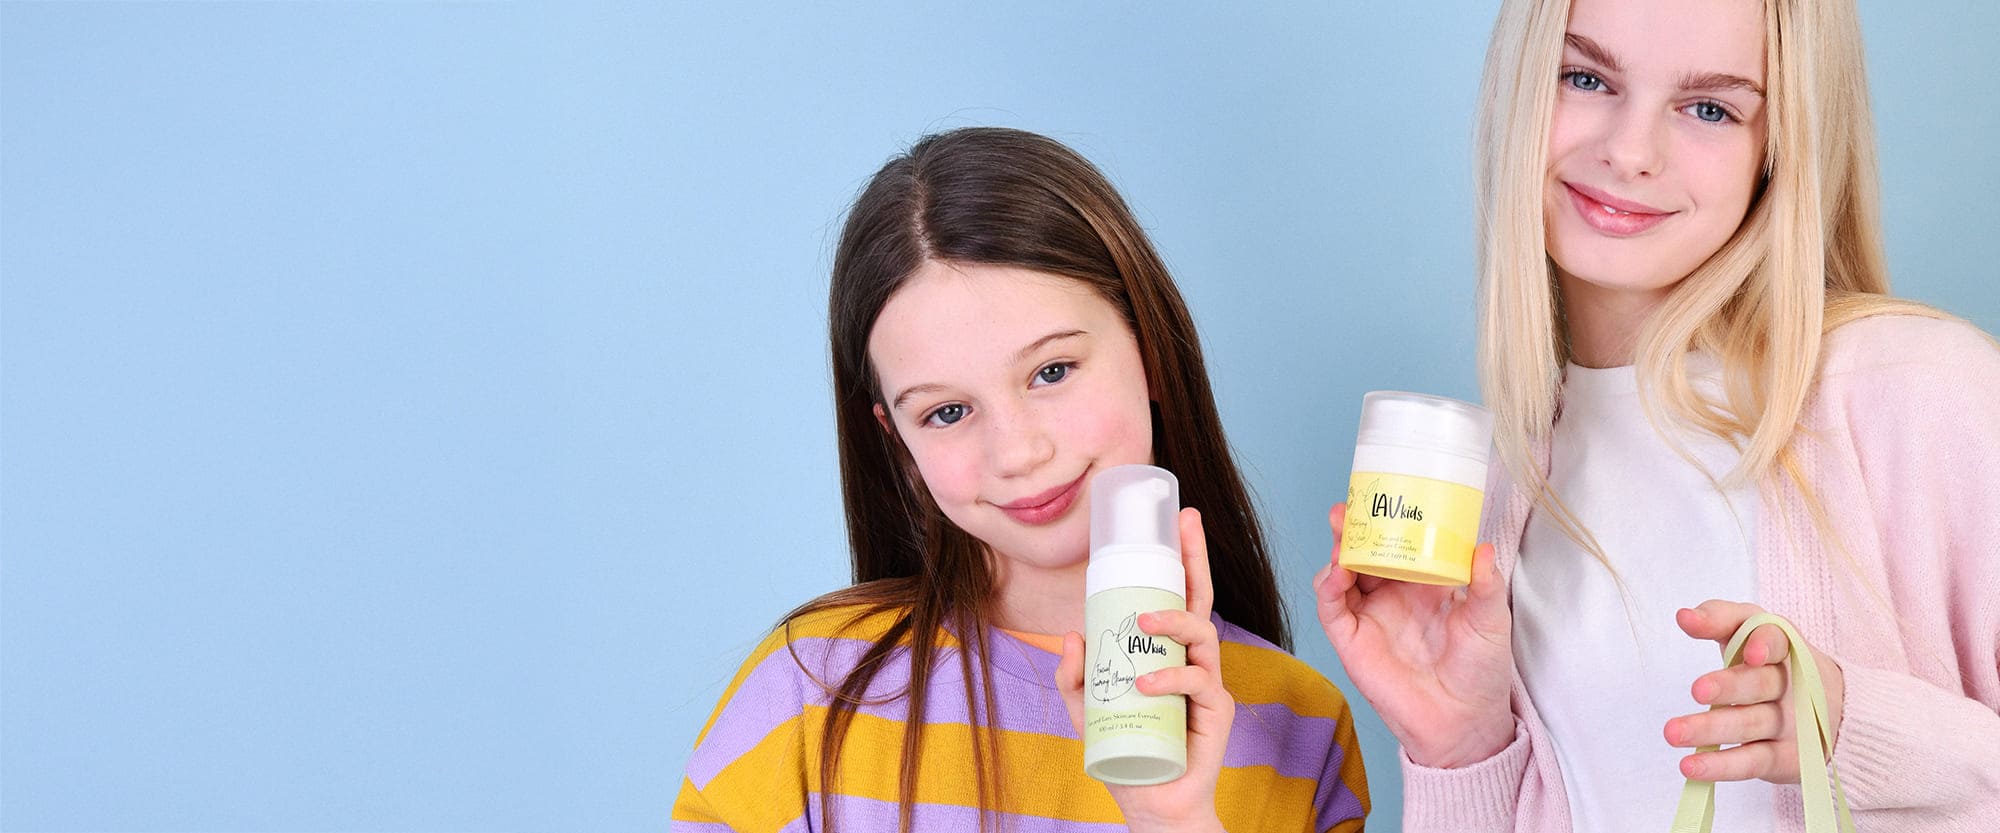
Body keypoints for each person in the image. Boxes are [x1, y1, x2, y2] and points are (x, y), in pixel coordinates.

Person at [1313, 0, 2000, 830]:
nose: (1631, 152)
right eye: (1585, 78)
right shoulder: (1497, 501)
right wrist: (1458, 748)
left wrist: (1859, 727)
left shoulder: (1921, 392)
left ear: (1781, 147)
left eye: (1709, 108)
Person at [673, 127, 1369, 833]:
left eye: (1052, 371)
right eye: (947, 412)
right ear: (898, 441)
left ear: (1152, 352)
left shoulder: (1300, 728)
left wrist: (1175, 819)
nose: (1018, 452)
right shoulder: (808, 693)